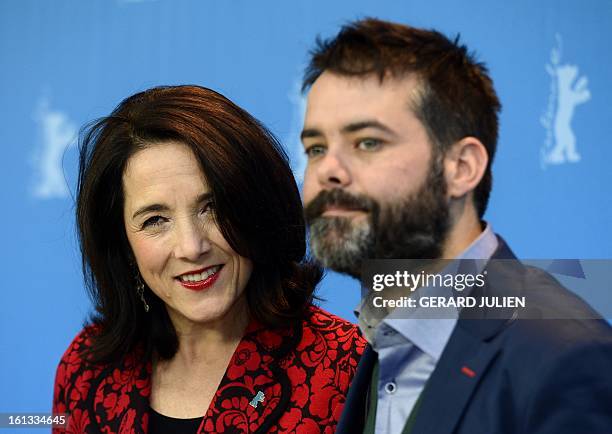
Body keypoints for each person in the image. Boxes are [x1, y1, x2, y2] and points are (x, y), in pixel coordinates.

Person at [300, 18, 612, 434]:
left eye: (367, 142)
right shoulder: (382, 337)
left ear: (462, 168)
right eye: (316, 148)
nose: (327, 171)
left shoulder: (564, 357)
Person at [52, 85, 365, 433]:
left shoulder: (348, 366)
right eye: (155, 220)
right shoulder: (85, 370)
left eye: (211, 208)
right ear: (123, 244)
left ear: (257, 207)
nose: (191, 246)